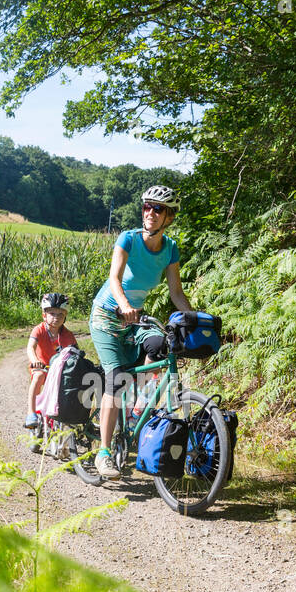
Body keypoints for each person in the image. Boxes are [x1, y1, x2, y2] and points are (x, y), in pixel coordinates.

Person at [88, 185, 195, 477]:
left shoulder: (170, 248)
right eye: (147, 206)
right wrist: (123, 305)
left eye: (158, 208)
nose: (150, 212)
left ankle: (138, 410)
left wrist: (195, 318)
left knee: (160, 347)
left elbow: (176, 292)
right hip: (107, 316)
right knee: (117, 378)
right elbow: (114, 278)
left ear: (169, 217)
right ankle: (104, 453)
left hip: (135, 320)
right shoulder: (129, 239)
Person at [25, 293, 77, 429]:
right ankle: (31, 413)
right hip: (42, 366)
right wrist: (35, 360)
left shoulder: (68, 335)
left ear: (65, 316)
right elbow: (31, 347)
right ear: (44, 315)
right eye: (52, 313)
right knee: (39, 376)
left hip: (59, 370)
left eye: (60, 314)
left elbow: (76, 353)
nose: (56, 317)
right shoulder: (39, 330)